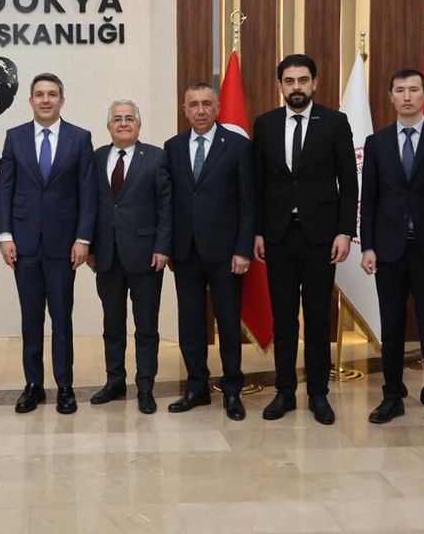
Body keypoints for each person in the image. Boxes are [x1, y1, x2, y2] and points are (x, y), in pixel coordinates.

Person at [252, 53, 357, 426]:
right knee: (283, 319)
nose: (296, 87)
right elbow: (257, 183)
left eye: (302, 80)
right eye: (289, 81)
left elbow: (349, 181)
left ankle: (318, 393)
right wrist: (258, 231)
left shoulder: (335, 122)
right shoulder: (265, 124)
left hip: (320, 237)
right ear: (280, 85)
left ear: (315, 83)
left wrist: (345, 231)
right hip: (278, 236)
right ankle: (284, 391)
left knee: (317, 319)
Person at [359, 68, 424, 434]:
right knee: (392, 329)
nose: (408, 96)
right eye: (400, 90)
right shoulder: (377, 142)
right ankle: (392, 396)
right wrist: (368, 246)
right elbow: (370, 199)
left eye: (414, 89)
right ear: (391, 97)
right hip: (389, 251)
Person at [0, 73, 97, 414]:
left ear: (61, 100)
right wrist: (5, 236)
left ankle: (65, 385)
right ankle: (33, 385)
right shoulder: (15, 137)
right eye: (39, 94)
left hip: (64, 245)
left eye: (52, 94)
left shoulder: (79, 138)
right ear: (30, 100)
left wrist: (83, 238)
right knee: (30, 319)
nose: (45, 99)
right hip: (23, 245)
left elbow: (87, 192)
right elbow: (4, 189)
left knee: (62, 318)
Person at [164, 82, 254, 421]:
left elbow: (248, 202)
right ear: (184, 110)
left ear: (217, 108)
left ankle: (232, 390)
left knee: (228, 323)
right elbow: (168, 202)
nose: (200, 110)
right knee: (190, 322)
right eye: (194, 105)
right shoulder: (172, 147)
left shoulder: (238, 146)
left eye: (206, 104)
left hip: (226, 253)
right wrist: (168, 247)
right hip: (185, 251)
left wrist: (243, 249)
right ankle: (197, 387)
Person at [87, 99, 172, 415]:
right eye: (117, 119)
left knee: (146, 326)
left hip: (146, 256)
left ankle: (145, 387)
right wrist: (91, 247)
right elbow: (89, 205)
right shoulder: (96, 158)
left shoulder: (156, 157)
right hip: (106, 257)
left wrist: (162, 247)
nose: (123, 124)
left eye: (129, 119)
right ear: (108, 126)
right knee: (112, 324)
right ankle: (115, 382)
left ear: (139, 124)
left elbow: (166, 206)